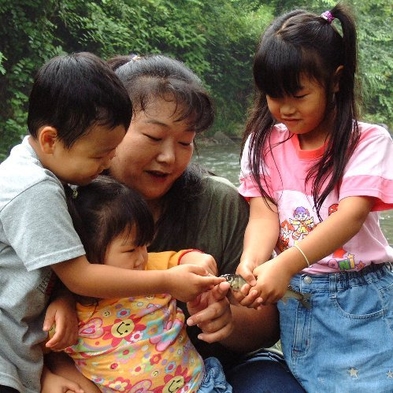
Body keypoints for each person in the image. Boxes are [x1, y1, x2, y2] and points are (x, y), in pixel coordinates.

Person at [0, 52, 222, 393]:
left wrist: (62, 299)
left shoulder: (46, 171)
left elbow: (63, 271)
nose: (108, 162)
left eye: (185, 142)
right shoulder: (35, 189)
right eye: (99, 154)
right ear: (50, 139)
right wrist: (167, 280)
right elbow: (81, 277)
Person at [107, 54, 304, 391]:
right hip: (106, 371)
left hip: (217, 372)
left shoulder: (219, 202)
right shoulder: (75, 201)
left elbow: (268, 323)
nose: (170, 157)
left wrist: (229, 321)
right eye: (154, 137)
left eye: (185, 142)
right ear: (109, 129)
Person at [236, 4, 393, 392]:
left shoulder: (367, 141)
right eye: (273, 95)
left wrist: (285, 264)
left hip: (360, 298)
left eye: (298, 95)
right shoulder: (263, 143)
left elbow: (350, 217)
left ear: (335, 81)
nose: (284, 108)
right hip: (297, 297)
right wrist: (253, 261)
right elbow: (263, 213)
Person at [61, 175, 232, 392]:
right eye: (131, 249)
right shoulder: (69, 310)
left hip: (199, 385)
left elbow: (187, 258)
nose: (142, 257)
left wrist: (202, 263)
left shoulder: (150, 267)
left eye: (145, 245)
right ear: (86, 252)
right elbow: (41, 349)